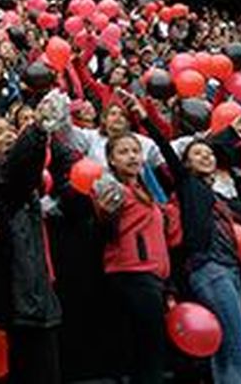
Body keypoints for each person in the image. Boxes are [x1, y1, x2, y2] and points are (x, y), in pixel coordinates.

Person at [139, 108, 241, 384]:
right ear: (186, 165)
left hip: (229, 270)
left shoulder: (213, 193)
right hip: (210, 269)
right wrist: (143, 117)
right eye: (198, 154)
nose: (207, 156)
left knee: (226, 351)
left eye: (209, 154)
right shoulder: (188, 184)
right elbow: (166, 149)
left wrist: (231, 132)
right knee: (239, 352)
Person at [0, 92, 68, 384]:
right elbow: (17, 168)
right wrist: (38, 129)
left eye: (10, 130)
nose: (8, 134)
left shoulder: (25, 177)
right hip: (20, 296)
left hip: (39, 291)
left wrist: (40, 135)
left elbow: (28, 166)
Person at [94, 127, 175, 384]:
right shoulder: (112, 189)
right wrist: (106, 215)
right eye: (123, 152)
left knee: (149, 352)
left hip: (152, 277)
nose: (131, 156)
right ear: (111, 160)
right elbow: (104, 230)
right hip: (132, 274)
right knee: (147, 354)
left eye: (135, 151)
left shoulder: (142, 189)